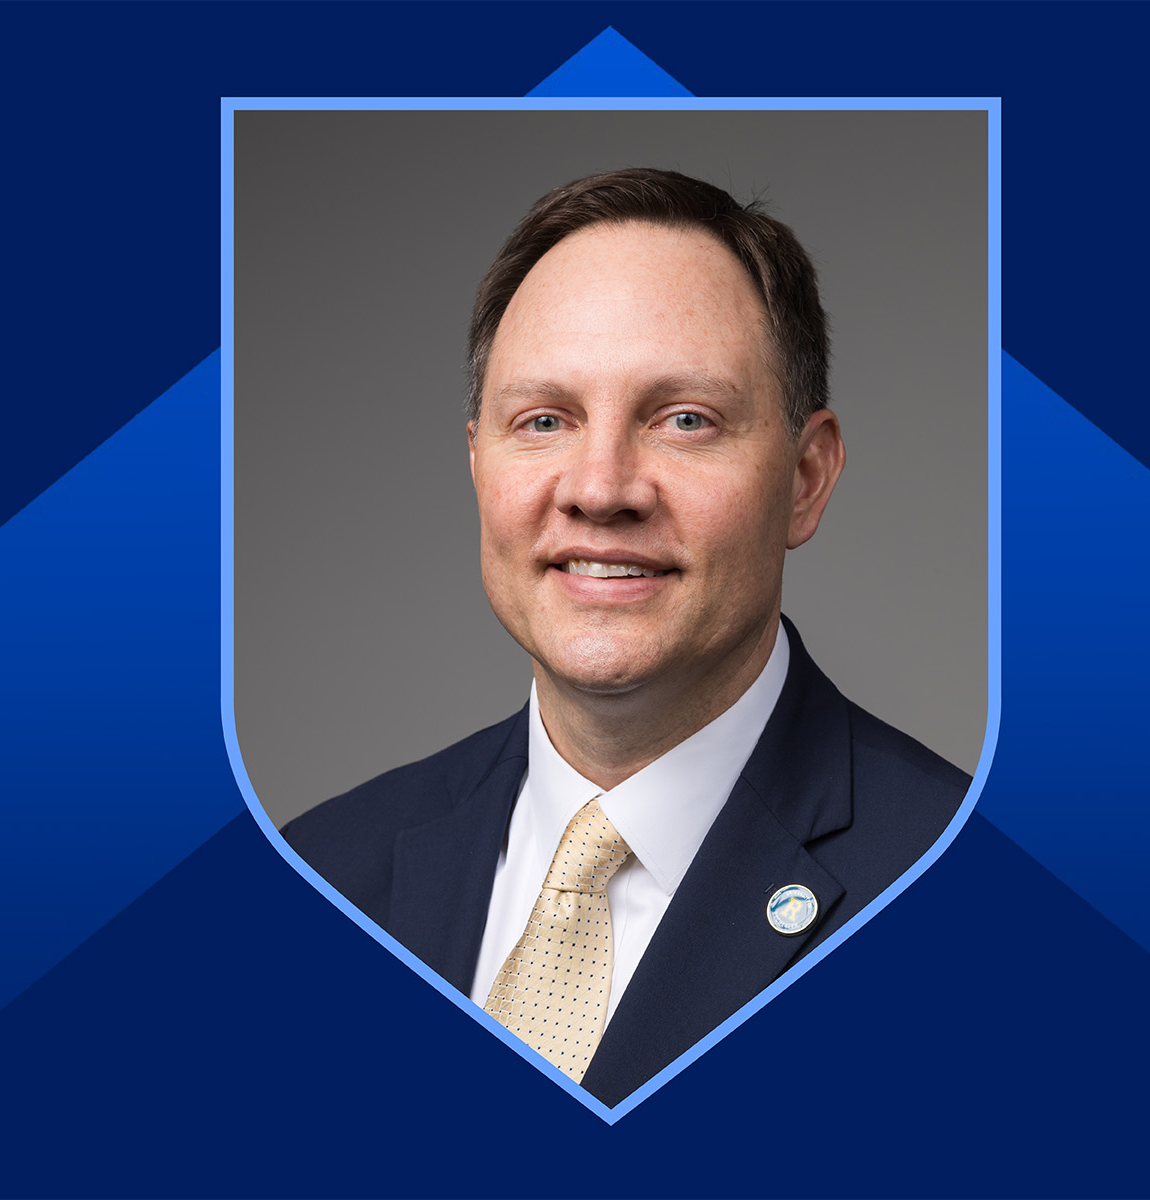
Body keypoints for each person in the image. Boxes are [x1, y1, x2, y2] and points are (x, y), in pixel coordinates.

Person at [281, 168, 971, 1104]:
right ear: (477, 459)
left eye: (684, 419)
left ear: (806, 478)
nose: (600, 488)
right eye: (544, 420)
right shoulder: (319, 871)